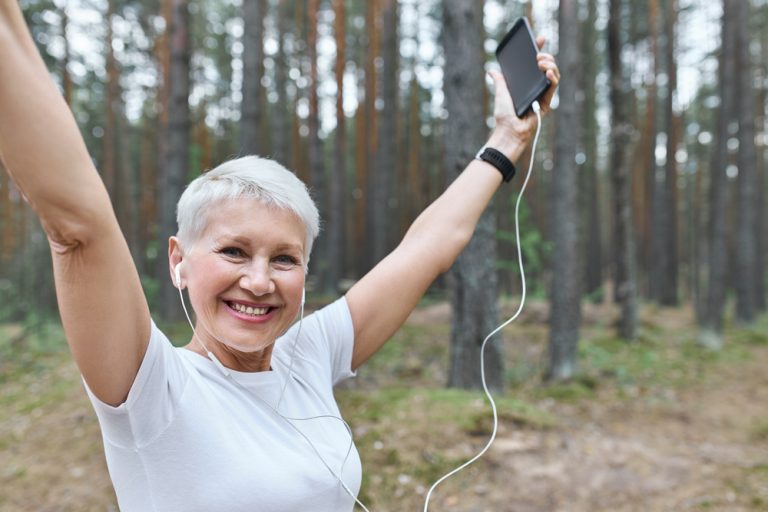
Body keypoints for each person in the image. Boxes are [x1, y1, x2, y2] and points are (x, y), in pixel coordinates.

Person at [0, 2, 560, 511]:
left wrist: (507, 139)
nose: (260, 281)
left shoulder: (307, 355)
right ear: (179, 261)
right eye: (234, 251)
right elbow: (78, 228)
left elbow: (426, 247)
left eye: (285, 259)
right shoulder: (151, 388)